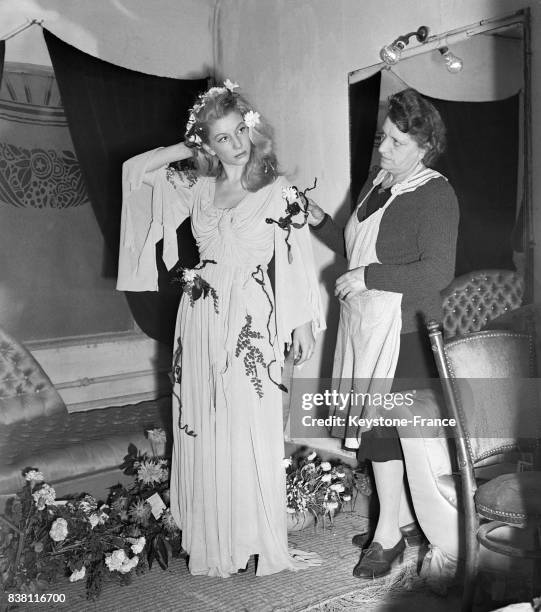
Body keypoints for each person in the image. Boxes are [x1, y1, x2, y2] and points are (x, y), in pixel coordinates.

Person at [117, 80, 325, 577]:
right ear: (206, 144)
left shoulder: (280, 190)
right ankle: (217, 535)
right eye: (221, 137)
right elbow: (133, 171)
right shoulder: (195, 186)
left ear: (252, 131)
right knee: (205, 418)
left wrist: (299, 322)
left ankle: (254, 532)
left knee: (247, 420)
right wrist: (187, 146)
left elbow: (296, 257)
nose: (234, 145)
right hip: (201, 310)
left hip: (253, 314)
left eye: (239, 132)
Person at [307, 88, 459, 579]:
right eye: (382, 139)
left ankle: (388, 537)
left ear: (424, 146)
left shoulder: (436, 194)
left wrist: (371, 278)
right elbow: (355, 248)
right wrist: (319, 222)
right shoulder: (379, 182)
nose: (384, 150)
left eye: (396, 142)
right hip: (365, 325)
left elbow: (437, 271)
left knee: (385, 432)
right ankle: (401, 519)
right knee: (378, 429)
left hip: (406, 333)